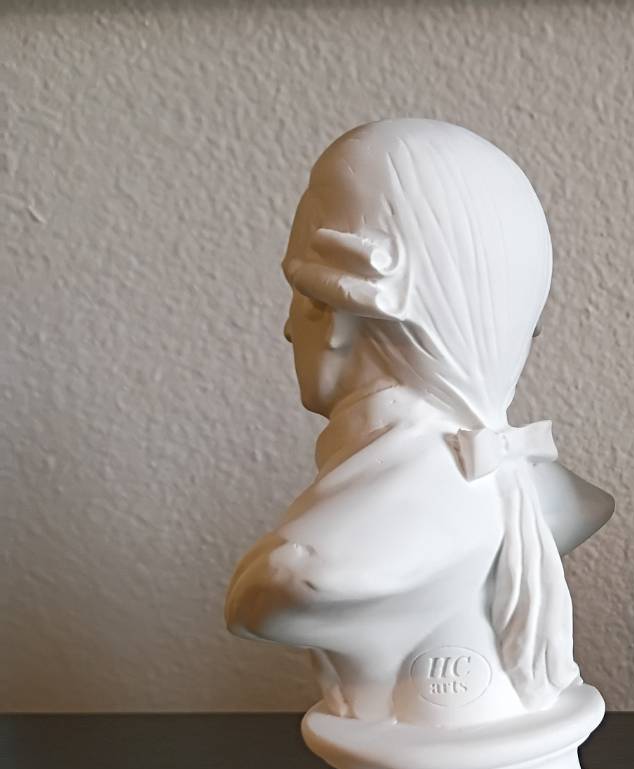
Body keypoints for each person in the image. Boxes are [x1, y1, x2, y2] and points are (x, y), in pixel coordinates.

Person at [226, 120, 611, 726]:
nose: (286, 329)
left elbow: (280, 593)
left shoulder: (305, 568)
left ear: (340, 314)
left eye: (300, 298)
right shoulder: (547, 493)